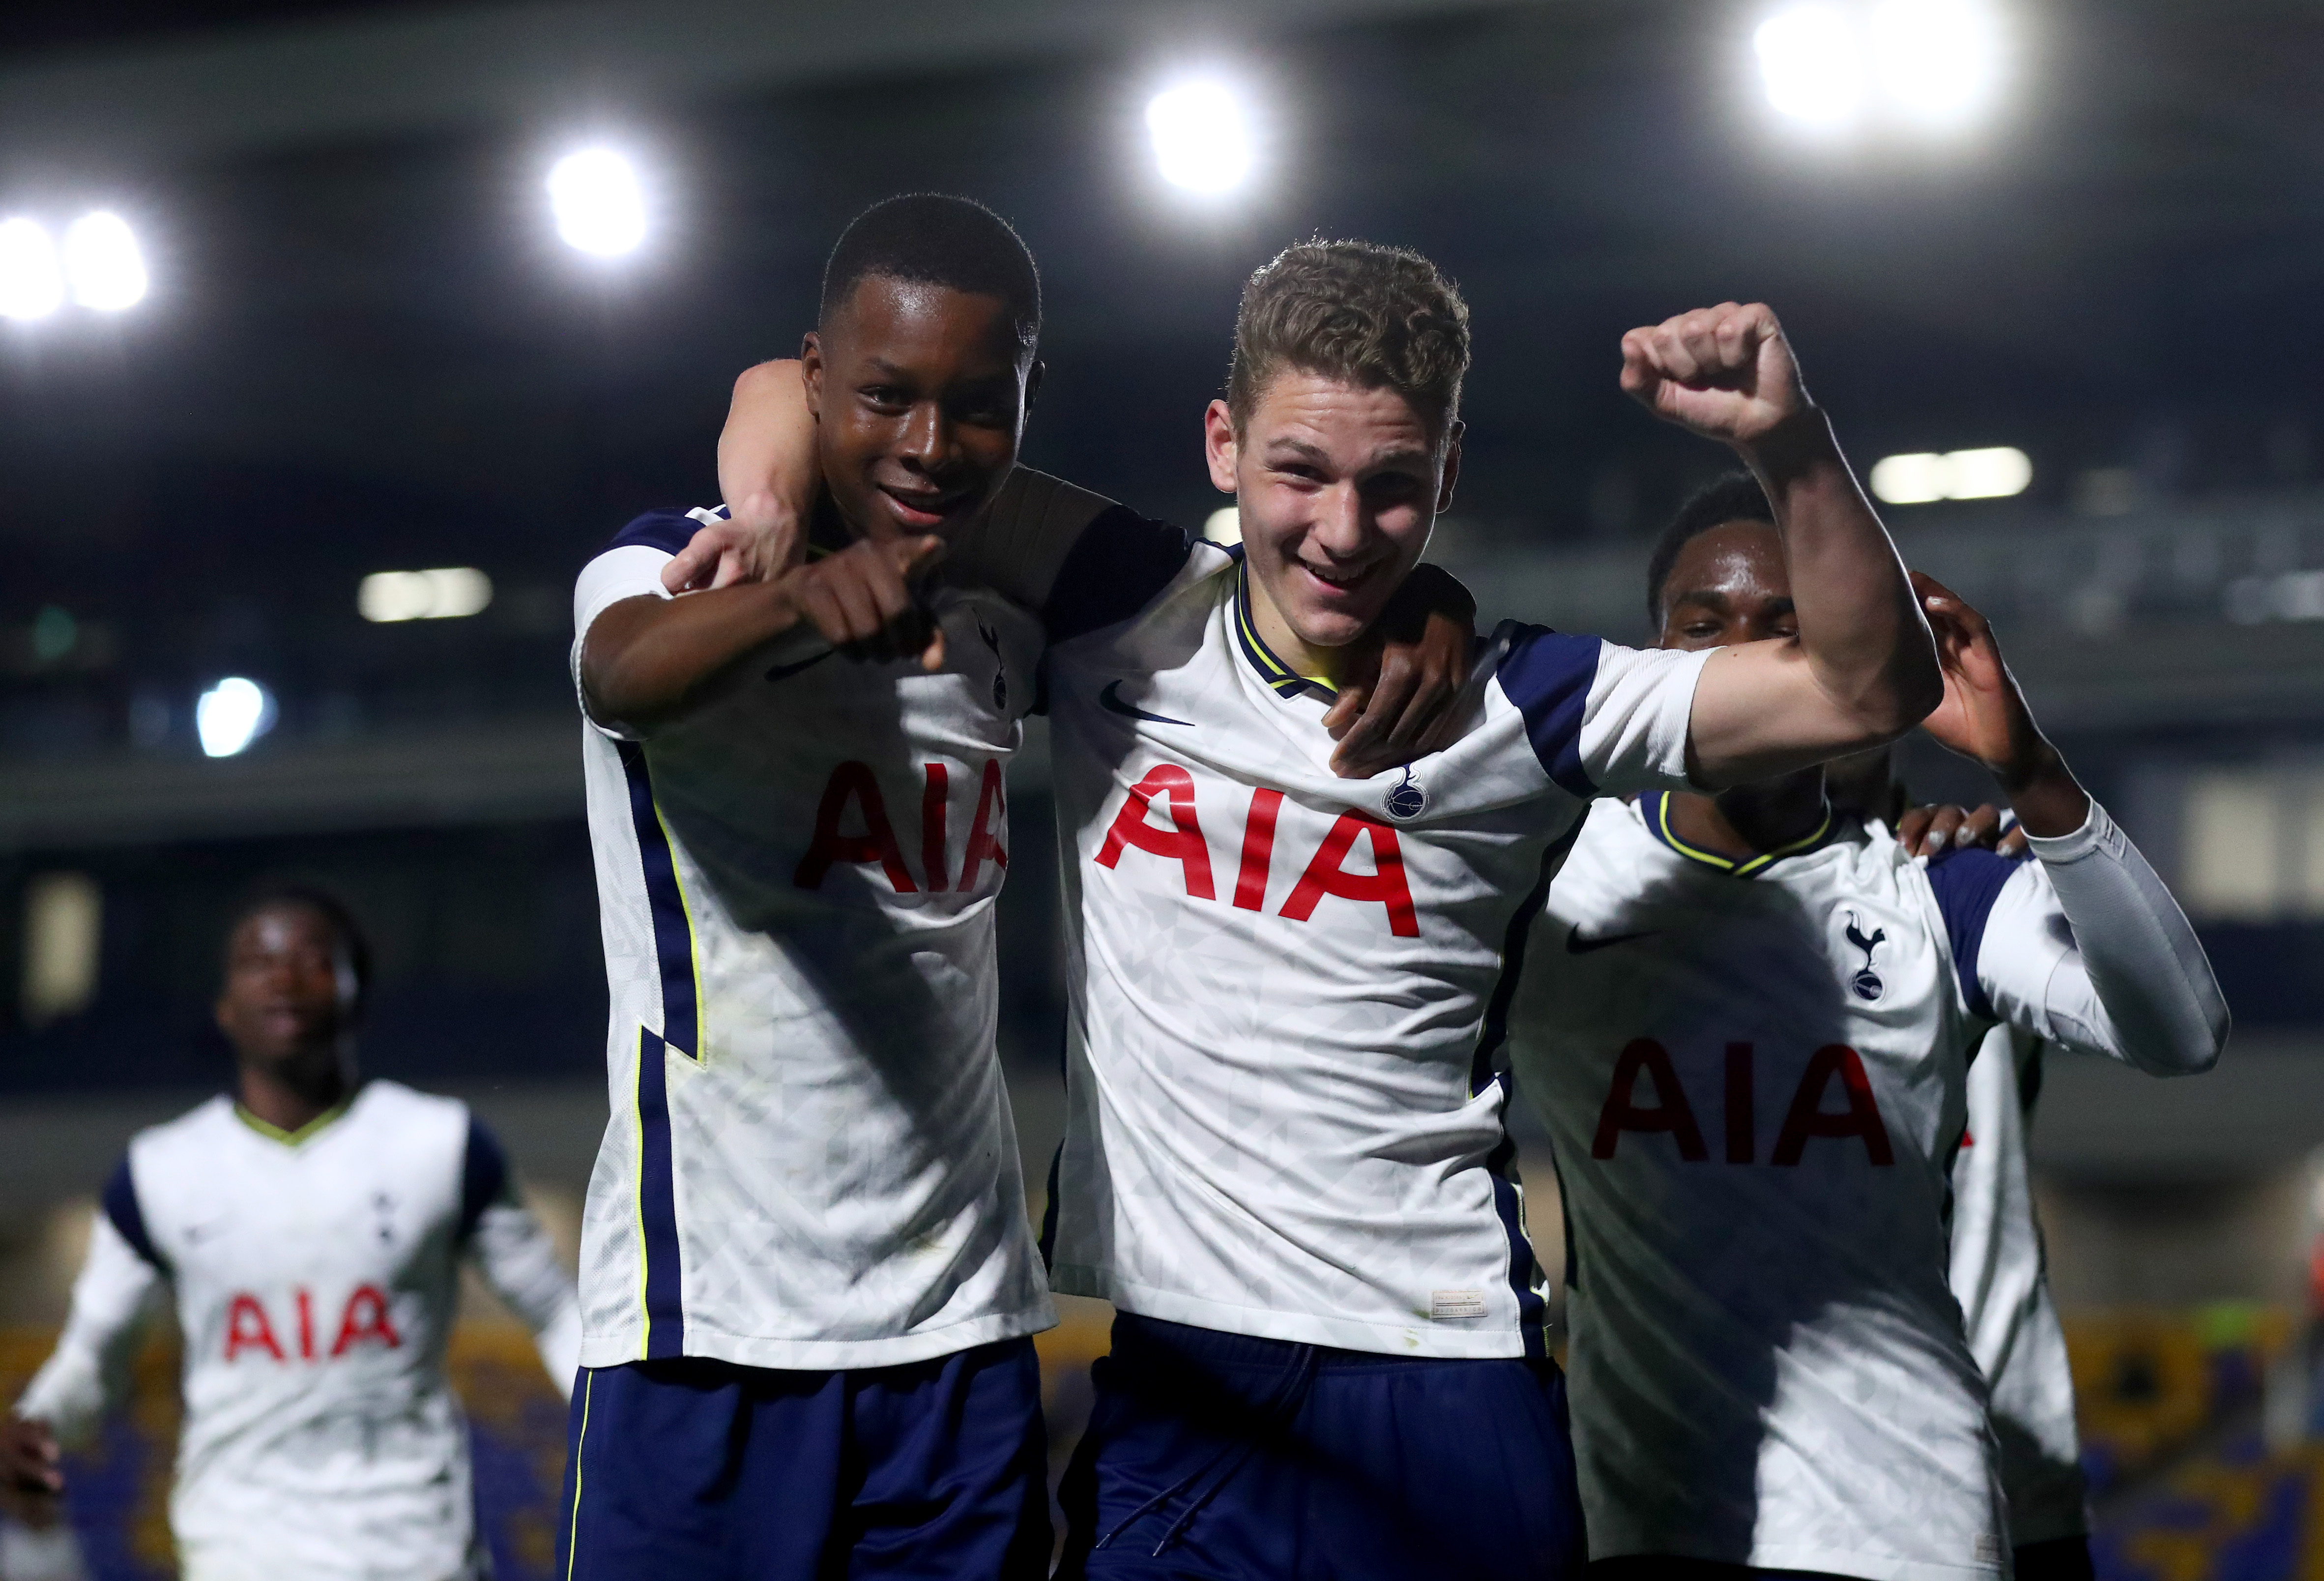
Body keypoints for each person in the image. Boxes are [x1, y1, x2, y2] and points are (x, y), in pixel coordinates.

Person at [712, 238, 1945, 1576]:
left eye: (1394, 490)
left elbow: (1870, 694)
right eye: (1299, 473)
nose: (1345, 535)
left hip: (1449, 1370)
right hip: (1192, 1385)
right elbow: (803, 393)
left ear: (1449, 476)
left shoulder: (1532, 701)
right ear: (1223, 442)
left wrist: (1794, 443)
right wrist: (775, 525)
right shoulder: (1115, 602)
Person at [564, 196, 1471, 1581]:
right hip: (707, 1333)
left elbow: (1273, 590)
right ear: (815, 380)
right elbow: (618, 672)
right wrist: (793, 588)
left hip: (965, 1337)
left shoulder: (1013, 600)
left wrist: (1427, 596)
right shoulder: (667, 566)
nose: (933, 445)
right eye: (887, 399)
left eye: (982, 405)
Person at [1511, 471, 2228, 1581]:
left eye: (1785, 631)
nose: (1743, 659)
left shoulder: (1932, 883)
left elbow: (2183, 1033)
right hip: (1651, 1526)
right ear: (1653, 656)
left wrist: (2028, 769)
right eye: (1703, 629)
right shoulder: (1554, 884)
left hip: (1910, 1528)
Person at [2, 886, 579, 1581]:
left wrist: (624, 1426)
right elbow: (95, 1359)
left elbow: (554, 1313)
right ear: (224, 1006)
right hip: (241, 1550)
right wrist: (39, 1424)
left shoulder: (443, 1144)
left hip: (418, 1552)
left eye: (312, 958)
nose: (284, 975)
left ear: (355, 993)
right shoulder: (160, 1171)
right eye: (258, 960)